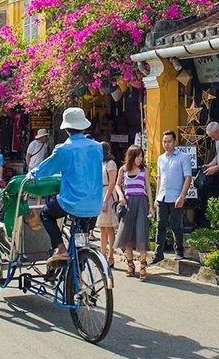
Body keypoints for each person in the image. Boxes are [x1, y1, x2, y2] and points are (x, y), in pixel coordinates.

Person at [28, 107, 102, 266]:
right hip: (95, 204)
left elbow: (47, 168)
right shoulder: (97, 146)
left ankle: (61, 249)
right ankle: (79, 266)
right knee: (81, 238)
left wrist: (32, 174)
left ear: (66, 129)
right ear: (83, 126)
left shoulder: (64, 149)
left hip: (72, 202)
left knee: (46, 214)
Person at [151, 130, 192, 265]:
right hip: (163, 196)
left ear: (174, 142)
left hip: (176, 197)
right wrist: (157, 197)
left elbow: (188, 178)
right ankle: (158, 254)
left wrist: (182, 196)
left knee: (176, 226)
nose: (166, 144)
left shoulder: (183, 157)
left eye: (169, 141)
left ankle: (179, 251)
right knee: (160, 225)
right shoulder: (161, 158)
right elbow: (159, 178)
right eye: (164, 141)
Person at [113, 145, 154, 280]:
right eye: (138, 156)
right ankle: (130, 264)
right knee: (127, 234)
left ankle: (143, 265)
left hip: (141, 203)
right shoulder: (123, 170)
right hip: (128, 203)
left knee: (142, 233)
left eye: (141, 156)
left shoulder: (144, 170)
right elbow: (117, 185)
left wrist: (151, 207)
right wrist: (121, 196)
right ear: (131, 156)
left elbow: (148, 188)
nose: (140, 159)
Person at [95, 142, 119, 268]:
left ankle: (111, 256)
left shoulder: (111, 164)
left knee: (109, 228)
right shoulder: (100, 163)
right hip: (100, 194)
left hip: (107, 195)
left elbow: (112, 183)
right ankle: (102, 255)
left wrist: (105, 200)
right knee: (102, 227)